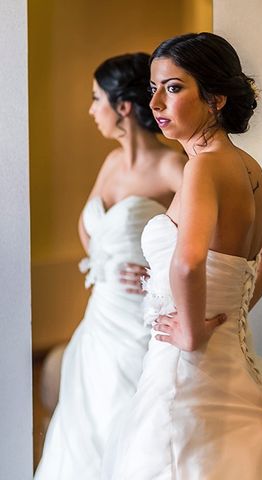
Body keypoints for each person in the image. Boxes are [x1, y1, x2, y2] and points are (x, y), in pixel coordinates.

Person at [102, 33, 262, 479]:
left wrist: (191, 330)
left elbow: (188, 259)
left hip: (189, 370)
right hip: (233, 361)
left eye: (175, 87)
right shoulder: (244, 165)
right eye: (154, 89)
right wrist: (231, 310)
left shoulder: (202, 166)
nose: (157, 102)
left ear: (216, 98)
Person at [35, 53, 185, 479]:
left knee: (132, 425)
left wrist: (160, 275)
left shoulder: (172, 166)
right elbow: (93, 237)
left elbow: (207, 241)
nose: (90, 110)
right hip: (100, 320)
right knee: (86, 426)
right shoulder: (112, 163)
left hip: (141, 321)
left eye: (95, 98)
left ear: (121, 107)